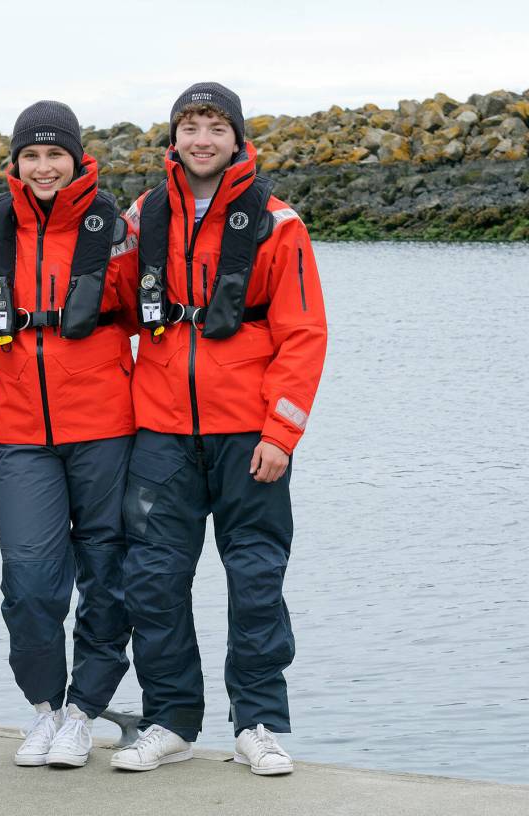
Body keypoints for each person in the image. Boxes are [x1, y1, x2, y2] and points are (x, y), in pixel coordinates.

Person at [110, 82, 327, 775]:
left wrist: (280, 434)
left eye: (215, 126)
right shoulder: (141, 216)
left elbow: (304, 336)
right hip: (162, 435)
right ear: (173, 139)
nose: (202, 138)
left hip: (249, 439)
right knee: (151, 580)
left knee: (256, 579)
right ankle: (170, 719)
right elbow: (90, 282)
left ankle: (257, 723)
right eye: (190, 126)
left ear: (236, 138)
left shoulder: (278, 224)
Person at [0, 101, 138, 769]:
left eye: (55, 154)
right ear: (16, 162)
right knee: (31, 581)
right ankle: (44, 705)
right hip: (19, 432)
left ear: (76, 158)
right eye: (31, 155)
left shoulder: (115, 227)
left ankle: (84, 712)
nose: (43, 167)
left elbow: (140, 313)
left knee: (107, 577)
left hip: (104, 427)